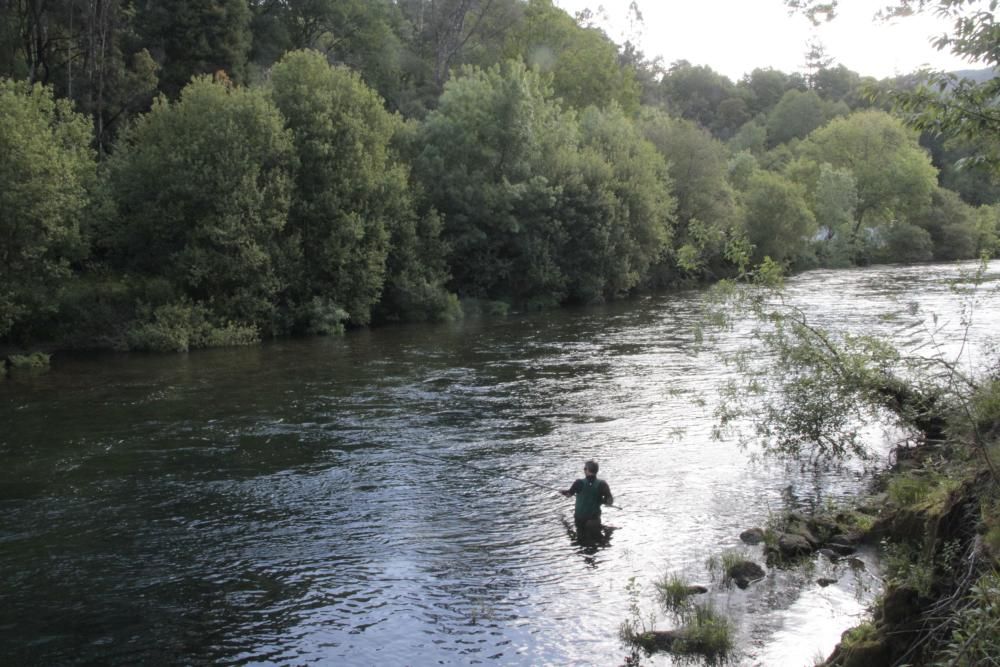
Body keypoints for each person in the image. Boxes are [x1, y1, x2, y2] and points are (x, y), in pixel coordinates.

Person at [561, 460, 613, 541]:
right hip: (594, 519)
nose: (584, 470)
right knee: (596, 538)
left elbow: (569, 494)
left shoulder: (578, 483)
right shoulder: (602, 484)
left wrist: (563, 492)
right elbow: (610, 500)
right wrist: (604, 500)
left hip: (580, 519)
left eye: (584, 468)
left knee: (581, 538)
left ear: (587, 470)